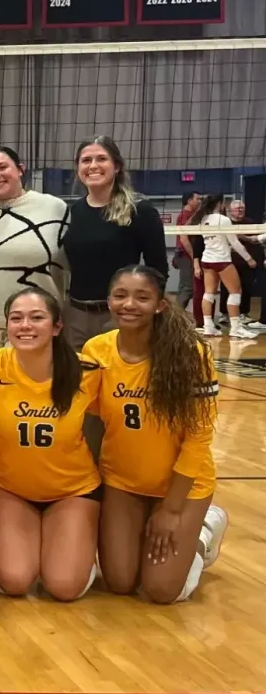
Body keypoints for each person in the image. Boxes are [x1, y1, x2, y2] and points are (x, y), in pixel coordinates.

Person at [83, 266, 229, 603]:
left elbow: (198, 438)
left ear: (160, 305)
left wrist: (172, 510)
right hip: (123, 481)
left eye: (142, 297)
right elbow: (83, 415)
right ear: (108, 300)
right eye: (120, 295)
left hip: (181, 487)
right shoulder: (96, 350)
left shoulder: (191, 354)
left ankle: (203, 532)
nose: (129, 304)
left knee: (161, 591)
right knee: (119, 582)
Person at [0, 288, 102, 600]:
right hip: (10, 489)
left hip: (72, 491)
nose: (25, 325)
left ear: (57, 327)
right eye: (16, 318)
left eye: (37, 317)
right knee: (14, 581)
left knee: (64, 587)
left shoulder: (87, 371)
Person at [0, 147, 69, 360]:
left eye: (2, 167)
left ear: (20, 169)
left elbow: (66, 265)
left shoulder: (55, 208)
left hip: (34, 326)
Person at [61, 136, 168, 350]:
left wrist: (148, 311)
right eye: (86, 160)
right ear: (78, 168)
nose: (93, 166)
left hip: (121, 315)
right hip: (76, 317)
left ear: (116, 166)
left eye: (101, 159)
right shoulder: (73, 212)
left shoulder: (140, 210)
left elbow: (158, 269)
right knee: (77, 372)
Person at [188, 193, 256, 339]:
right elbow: (235, 242)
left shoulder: (203, 219)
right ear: (221, 203)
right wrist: (249, 258)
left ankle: (208, 327)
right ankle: (236, 328)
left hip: (207, 260)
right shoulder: (223, 220)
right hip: (222, 260)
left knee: (209, 293)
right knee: (235, 292)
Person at [222, 200, 263, 330]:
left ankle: (243, 313)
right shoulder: (225, 223)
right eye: (237, 208)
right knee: (227, 288)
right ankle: (225, 314)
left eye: (242, 208)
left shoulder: (250, 223)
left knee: (245, 287)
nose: (240, 211)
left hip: (245, 262)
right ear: (230, 210)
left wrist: (252, 259)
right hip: (228, 261)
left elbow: (256, 241)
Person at [172, 191, 203, 327]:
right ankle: (175, 318)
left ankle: (175, 317)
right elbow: (184, 238)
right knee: (188, 288)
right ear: (189, 201)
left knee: (184, 288)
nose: (200, 201)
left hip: (184, 256)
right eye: (198, 199)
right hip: (185, 256)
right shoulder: (185, 215)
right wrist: (193, 257)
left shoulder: (192, 215)